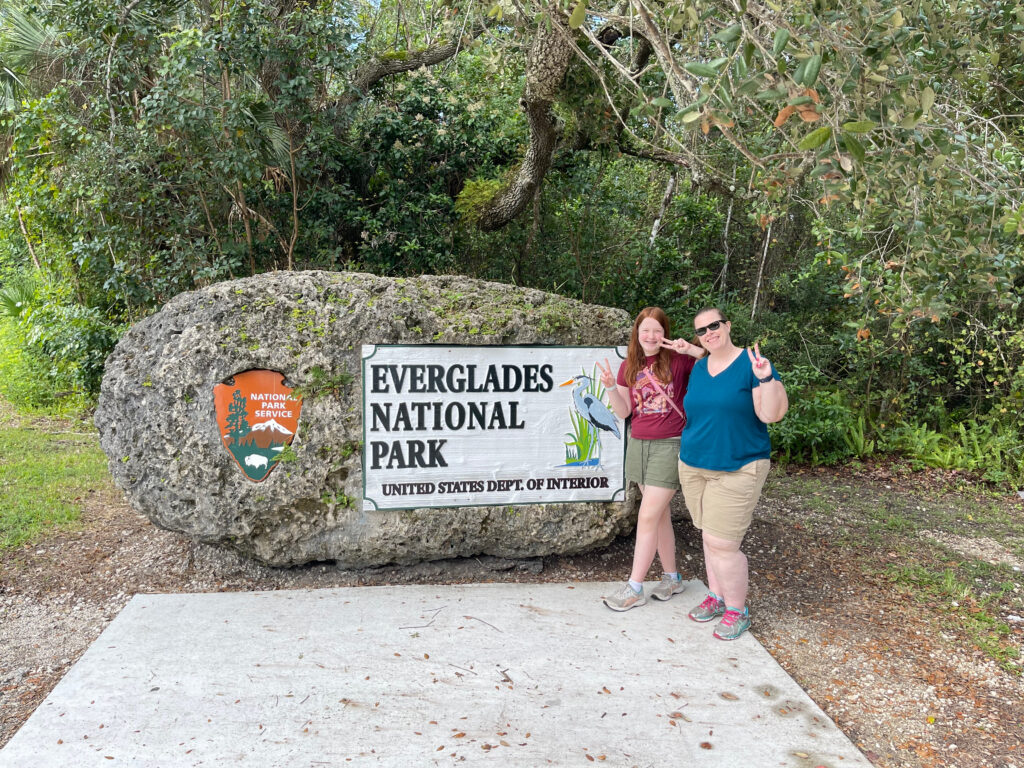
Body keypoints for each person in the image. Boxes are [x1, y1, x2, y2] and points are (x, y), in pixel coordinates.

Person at [677, 307, 788, 640]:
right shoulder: (699, 367)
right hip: (694, 464)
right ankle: (717, 596)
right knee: (708, 534)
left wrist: (767, 377)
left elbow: (773, 414)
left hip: (738, 465)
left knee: (722, 542)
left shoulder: (752, 365)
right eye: (701, 330)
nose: (709, 333)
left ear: (727, 325)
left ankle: (737, 611)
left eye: (714, 325)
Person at [597, 307, 705, 611]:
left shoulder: (680, 360)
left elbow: (715, 364)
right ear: (637, 333)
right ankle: (672, 577)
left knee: (646, 516)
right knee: (658, 517)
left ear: (665, 333)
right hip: (639, 444)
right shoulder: (627, 367)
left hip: (669, 445)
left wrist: (692, 348)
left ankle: (634, 587)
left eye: (657, 330)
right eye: (645, 330)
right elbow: (623, 412)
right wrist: (608, 387)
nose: (651, 336)